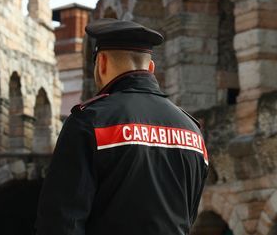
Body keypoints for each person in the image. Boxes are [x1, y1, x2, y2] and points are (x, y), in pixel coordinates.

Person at [35, 18, 209, 235]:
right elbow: (188, 216)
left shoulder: (90, 121)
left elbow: (61, 223)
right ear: (151, 68)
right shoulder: (192, 131)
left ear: (102, 63)